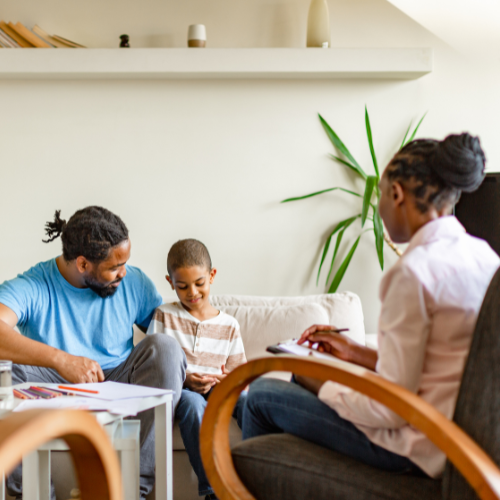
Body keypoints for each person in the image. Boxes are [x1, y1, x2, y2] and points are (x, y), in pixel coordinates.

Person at [242, 133, 500, 479]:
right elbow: (436, 367)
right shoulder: (483, 256)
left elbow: (390, 411)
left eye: (380, 193)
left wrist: (319, 382)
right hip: (464, 445)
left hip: (419, 447)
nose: (378, 206)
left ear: (396, 194)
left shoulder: (414, 272)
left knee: (260, 394)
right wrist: (354, 353)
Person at [0, 206, 187, 499]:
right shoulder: (35, 284)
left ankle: (131, 491)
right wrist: (61, 359)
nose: (123, 272)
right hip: (52, 385)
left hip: (118, 378)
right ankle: (33, 494)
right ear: (83, 264)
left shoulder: (134, 282)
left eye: (125, 262)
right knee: (4, 367)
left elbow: (175, 332)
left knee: (166, 347)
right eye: (114, 267)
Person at [147, 238, 247, 500]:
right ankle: (214, 490)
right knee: (193, 405)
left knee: (250, 401)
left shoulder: (229, 325)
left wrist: (227, 380)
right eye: (182, 286)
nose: (192, 292)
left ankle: (256, 477)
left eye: (199, 283)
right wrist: (186, 380)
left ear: (212, 276)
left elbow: (241, 376)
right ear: (170, 283)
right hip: (183, 391)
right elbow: (152, 366)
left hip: (218, 390)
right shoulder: (164, 315)